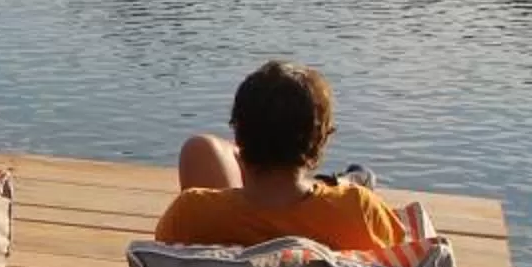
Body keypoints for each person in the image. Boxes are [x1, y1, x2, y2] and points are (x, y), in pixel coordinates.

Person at [157, 60, 403, 254]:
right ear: (321, 140)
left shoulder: (190, 214)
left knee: (201, 147)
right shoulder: (359, 209)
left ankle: (337, 180)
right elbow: (409, 263)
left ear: (238, 135)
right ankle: (338, 181)